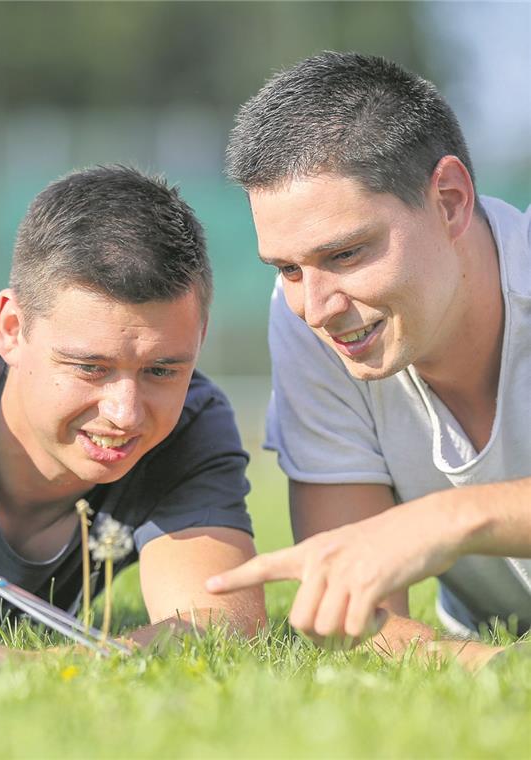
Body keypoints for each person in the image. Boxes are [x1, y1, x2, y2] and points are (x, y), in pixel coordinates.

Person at [0, 165, 265, 667]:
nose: (125, 413)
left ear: (199, 338)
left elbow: (221, 626)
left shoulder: (189, 425)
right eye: (89, 368)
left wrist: (25, 664)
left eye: (161, 369)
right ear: (12, 328)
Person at [206, 51, 531, 669]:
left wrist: (450, 519)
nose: (317, 307)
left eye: (349, 253)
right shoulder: (310, 315)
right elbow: (363, 623)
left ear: (451, 200)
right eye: (287, 268)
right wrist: (501, 670)